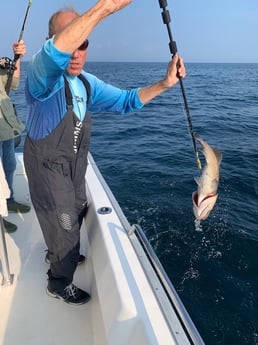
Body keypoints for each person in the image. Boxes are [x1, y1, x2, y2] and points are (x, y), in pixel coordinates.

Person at [24, 0, 186, 306]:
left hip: (73, 167)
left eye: (82, 42)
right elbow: (55, 55)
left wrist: (165, 83)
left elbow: (126, 101)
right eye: (69, 39)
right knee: (67, 228)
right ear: (51, 42)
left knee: (76, 210)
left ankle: (58, 251)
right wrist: (107, 6)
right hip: (46, 167)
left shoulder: (86, 83)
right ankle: (58, 283)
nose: (75, 52)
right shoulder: (41, 76)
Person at [0, 40, 30, 233]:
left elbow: (15, 82)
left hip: (5, 127)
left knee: (10, 165)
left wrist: (17, 58)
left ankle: (9, 199)